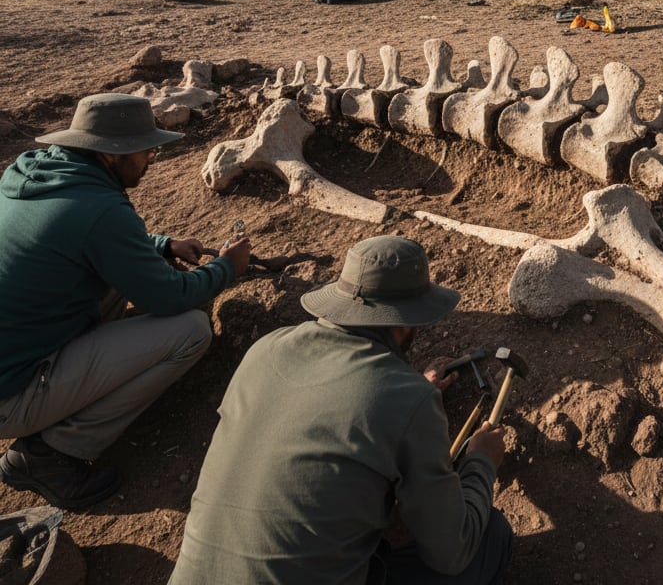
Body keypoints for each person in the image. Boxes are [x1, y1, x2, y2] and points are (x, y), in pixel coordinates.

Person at [169, 234, 513, 585]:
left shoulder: (265, 350)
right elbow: (452, 552)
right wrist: (481, 462)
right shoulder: (410, 400)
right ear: (408, 319)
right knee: (491, 538)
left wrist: (408, 398)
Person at [0, 93, 250, 510]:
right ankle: (48, 454)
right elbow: (171, 298)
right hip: (11, 395)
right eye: (146, 149)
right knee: (190, 330)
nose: (152, 158)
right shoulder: (99, 209)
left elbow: (79, 239)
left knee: (124, 276)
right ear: (111, 155)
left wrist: (159, 245)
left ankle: (76, 381)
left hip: (15, 351)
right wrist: (227, 267)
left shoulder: (30, 173)